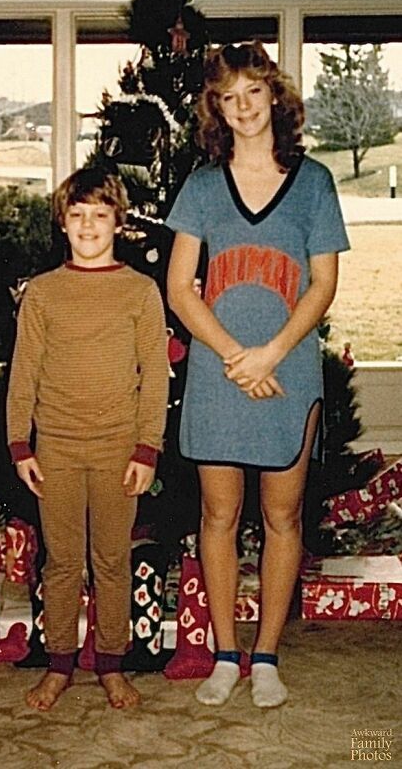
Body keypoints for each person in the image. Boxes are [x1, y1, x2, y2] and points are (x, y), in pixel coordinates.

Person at [166, 41, 349, 708]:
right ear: (214, 106)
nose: (242, 108)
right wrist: (231, 355)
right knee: (217, 514)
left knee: (282, 514)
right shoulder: (203, 185)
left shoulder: (316, 183)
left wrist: (271, 352)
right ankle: (224, 652)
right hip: (219, 370)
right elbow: (180, 288)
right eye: (227, 97)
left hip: (288, 369)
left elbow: (324, 282)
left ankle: (266, 654)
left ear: (273, 94)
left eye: (252, 92)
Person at [7, 168, 169, 710]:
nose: (88, 224)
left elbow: (156, 376)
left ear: (118, 222)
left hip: (118, 449)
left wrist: (147, 449)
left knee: (111, 560)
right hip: (55, 448)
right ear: (63, 222)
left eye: (100, 215)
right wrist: (19, 444)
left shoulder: (141, 292)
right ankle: (58, 664)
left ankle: (111, 664)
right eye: (77, 214)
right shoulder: (43, 293)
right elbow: (23, 372)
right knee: (61, 559)